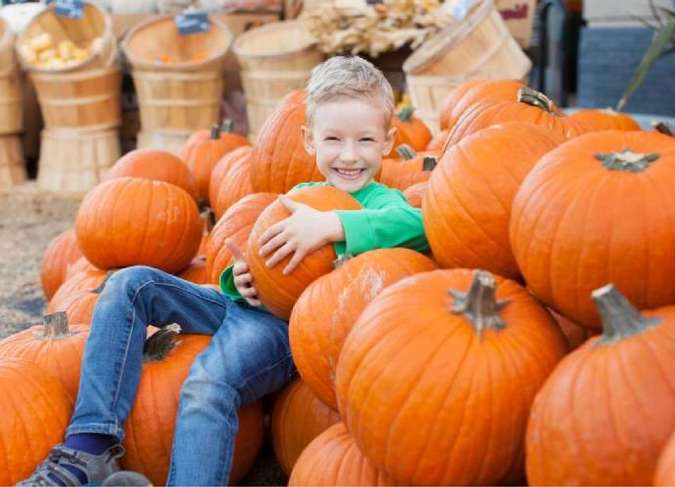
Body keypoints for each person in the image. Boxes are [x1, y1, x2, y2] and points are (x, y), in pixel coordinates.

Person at [20, 55, 429, 486]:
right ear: (309, 141)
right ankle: (89, 448)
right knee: (129, 284)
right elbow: (258, 262)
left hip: (288, 328)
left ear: (387, 141)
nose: (349, 155)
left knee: (207, 385)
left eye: (364, 140)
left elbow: (419, 226)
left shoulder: (384, 203)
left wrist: (333, 225)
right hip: (247, 308)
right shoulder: (299, 194)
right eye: (334, 139)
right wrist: (242, 279)